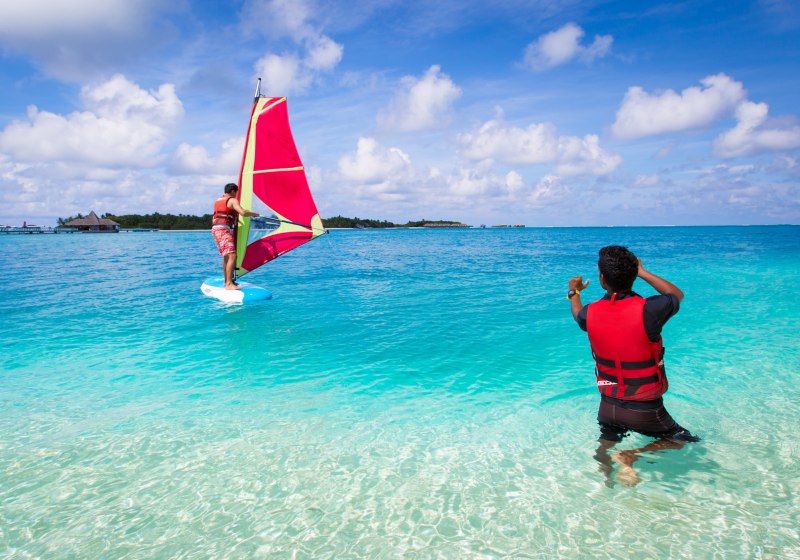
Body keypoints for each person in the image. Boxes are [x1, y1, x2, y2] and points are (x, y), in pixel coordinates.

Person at [567, 245, 699, 487]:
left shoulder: (590, 313)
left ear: (602, 279)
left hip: (608, 406)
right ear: (632, 275)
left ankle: (606, 483)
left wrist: (574, 291)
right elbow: (676, 294)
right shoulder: (650, 310)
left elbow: (577, 312)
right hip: (645, 409)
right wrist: (643, 272)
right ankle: (632, 455)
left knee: (604, 445)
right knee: (684, 439)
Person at [211, 183, 259, 290]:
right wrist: (253, 214)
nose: (236, 195)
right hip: (223, 229)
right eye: (236, 192)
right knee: (232, 255)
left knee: (226, 256)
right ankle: (229, 284)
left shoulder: (218, 200)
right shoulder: (232, 200)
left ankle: (226, 281)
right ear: (233, 191)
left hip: (215, 229)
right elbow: (242, 212)